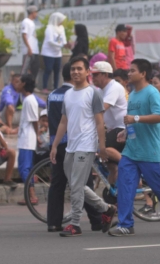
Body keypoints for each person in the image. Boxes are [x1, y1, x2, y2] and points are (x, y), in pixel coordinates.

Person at [108, 59, 160, 237]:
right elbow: (131, 120)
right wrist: (125, 133)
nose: (129, 74)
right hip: (131, 150)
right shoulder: (133, 94)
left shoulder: (151, 93)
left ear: (143, 74)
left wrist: (136, 119)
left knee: (159, 187)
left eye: (132, 71)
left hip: (149, 151)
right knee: (125, 185)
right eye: (129, 70)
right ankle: (126, 224)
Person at [50, 56, 117, 237]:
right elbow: (63, 122)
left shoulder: (93, 93)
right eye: (73, 69)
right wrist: (55, 145)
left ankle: (75, 224)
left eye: (80, 69)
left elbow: (99, 122)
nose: (76, 72)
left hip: (86, 145)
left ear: (88, 72)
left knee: (77, 186)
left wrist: (101, 147)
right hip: (70, 146)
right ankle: (107, 208)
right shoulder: (69, 94)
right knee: (76, 185)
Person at [91, 61, 127, 185]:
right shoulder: (101, 91)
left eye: (95, 75)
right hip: (113, 129)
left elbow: (100, 110)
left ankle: (131, 169)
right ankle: (113, 198)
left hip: (123, 128)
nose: (92, 77)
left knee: (102, 147)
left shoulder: (114, 87)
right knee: (112, 168)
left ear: (105, 75)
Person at [16, 75, 39, 206]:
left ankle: (32, 195)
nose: (17, 84)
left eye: (19, 82)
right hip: (25, 139)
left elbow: (34, 120)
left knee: (24, 168)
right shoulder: (27, 99)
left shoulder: (29, 100)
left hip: (27, 140)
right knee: (26, 168)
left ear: (24, 84)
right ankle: (30, 195)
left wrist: (37, 136)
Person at [41, 12, 68, 92]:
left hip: (57, 53)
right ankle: (44, 87)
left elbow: (64, 39)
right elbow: (50, 41)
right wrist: (61, 45)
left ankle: (56, 87)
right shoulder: (49, 28)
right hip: (48, 53)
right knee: (48, 69)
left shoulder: (61, 28)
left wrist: (65, 44)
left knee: (57, 70)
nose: (62, 22)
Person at [20, 5, 40, 81]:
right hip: (29, 50)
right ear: (32, 12)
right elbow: (24, 35)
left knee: (35, 68)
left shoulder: (32, 22)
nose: (37, 14)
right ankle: (21, 84)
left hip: (35, 49)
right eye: (36, 12)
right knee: (24, 69)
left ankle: (32, 85)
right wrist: (29, 48)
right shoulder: (26, 22)